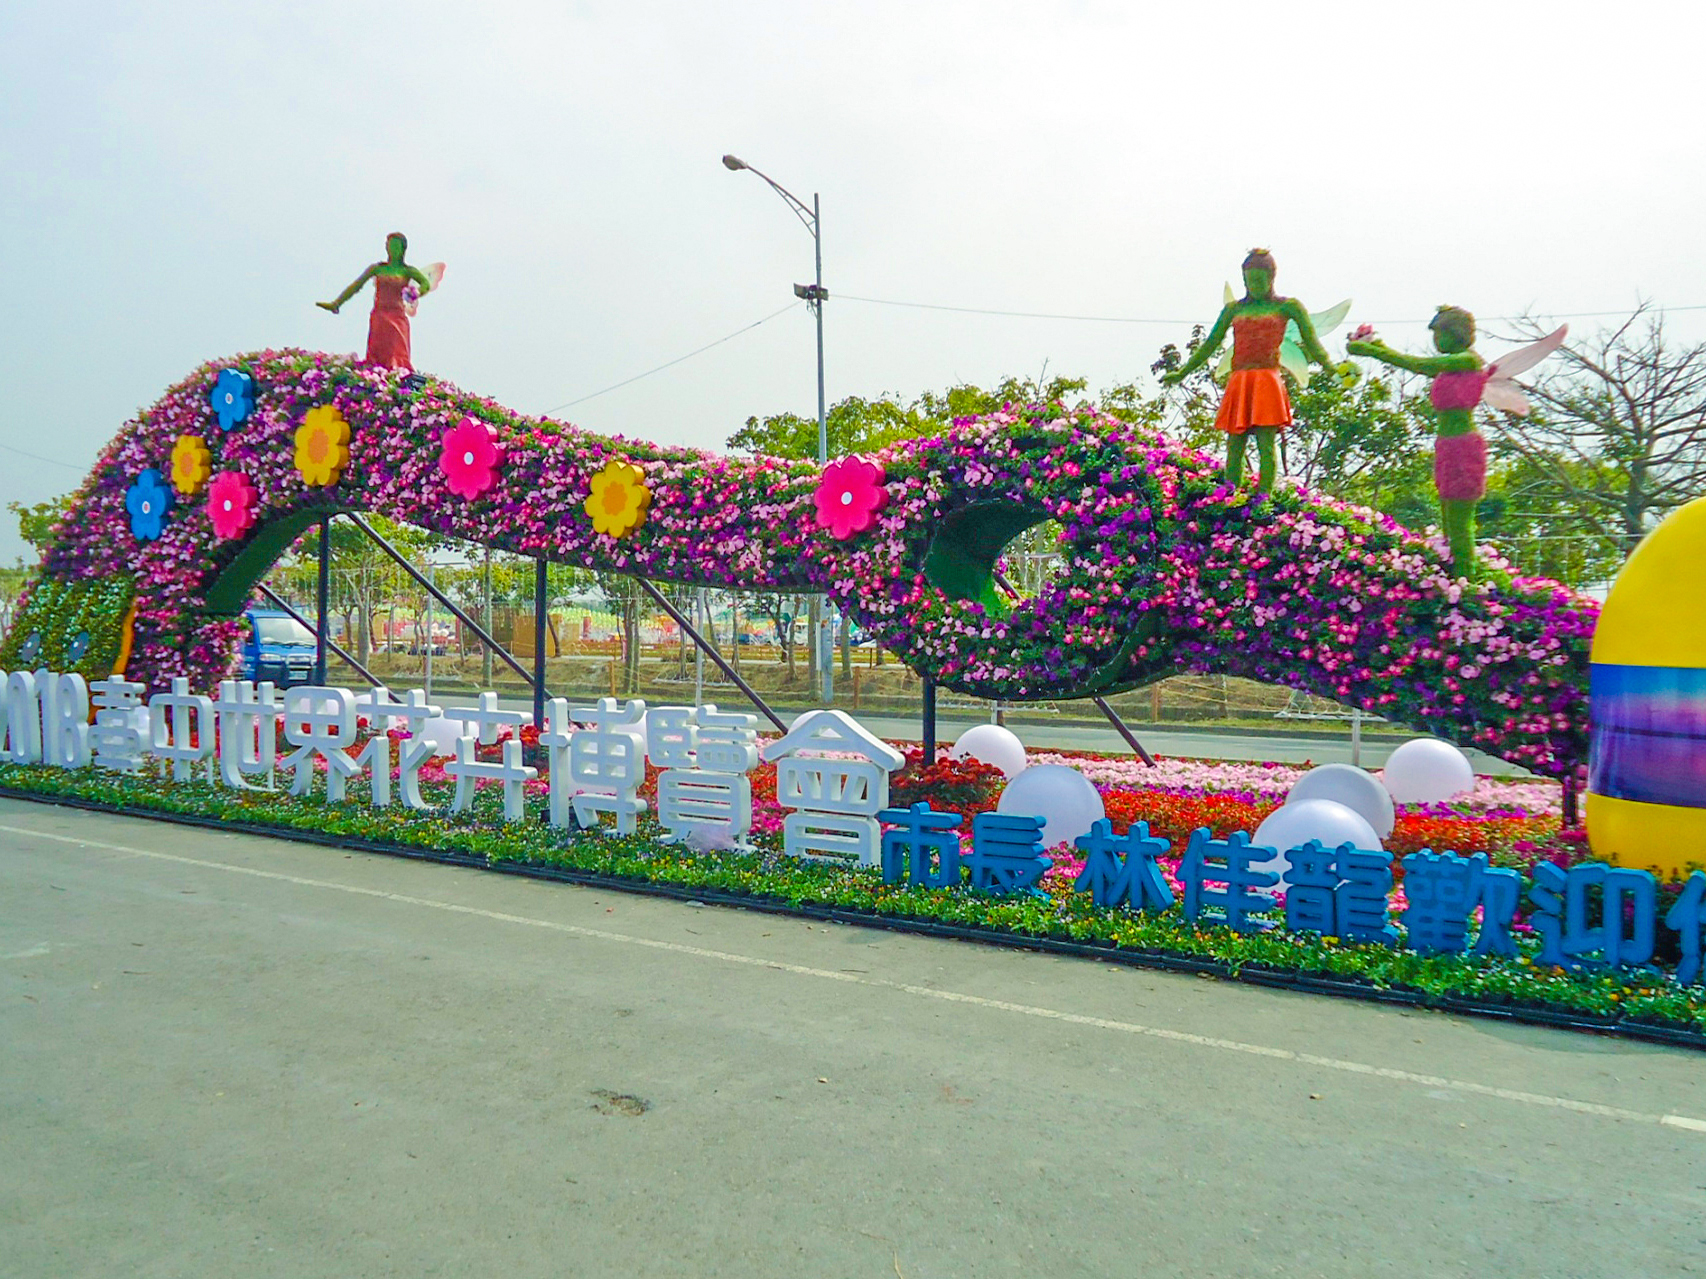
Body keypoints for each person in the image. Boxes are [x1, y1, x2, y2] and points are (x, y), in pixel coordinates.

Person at [1160, 248, 1341, 492]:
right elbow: (1209, 345)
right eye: (1248, 280)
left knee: (1266, 444)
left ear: (1271, 278)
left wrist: (1331, 368)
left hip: (1267, 379)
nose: (1253, 285)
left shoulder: (1288, 306)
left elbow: (1312, 343)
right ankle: (1229, 495)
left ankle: (1263, 499)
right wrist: (1182, 372)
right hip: (1240, 381)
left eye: (1259, 280)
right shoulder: (1234, 309)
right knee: (1235, 443)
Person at [317, 233, 438, 370]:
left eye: (396, 246)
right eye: (390, 245)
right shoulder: (377, 268)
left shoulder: (407, 270)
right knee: (378, 351)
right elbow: (356, 286)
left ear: (403, 249)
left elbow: (425, 284)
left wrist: (416, 292)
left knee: (396, 351)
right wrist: (337, 303)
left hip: (397, 316)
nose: (393, 249)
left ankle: (397, 379)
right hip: (379, 315)